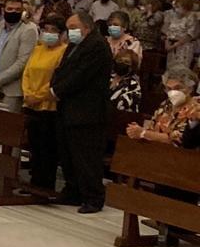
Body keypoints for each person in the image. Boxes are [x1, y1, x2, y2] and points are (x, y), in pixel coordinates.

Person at [50, 11, 113, 214]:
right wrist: (54, 86)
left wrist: (58, 90)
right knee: (68, 154)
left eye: (74, 28)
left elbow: (81, 75)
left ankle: (93, 197)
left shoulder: (97, 45)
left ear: (86, 27)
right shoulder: (75, 44)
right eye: (69, 29)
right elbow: (63, 68)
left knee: (86, 157)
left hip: (87, 111)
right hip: (68, 107)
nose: (71, 32)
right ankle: (73, 190)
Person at [21, 15, 69, 191]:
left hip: (49, 106)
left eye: (53, 31)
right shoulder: (38, 49)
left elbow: (56, 81)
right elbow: (27, 72)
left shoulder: (63, 51)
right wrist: (27, 94)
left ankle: (45, 184)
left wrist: (39, 96)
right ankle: (33, 182)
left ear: (62, 34)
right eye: (46, 30)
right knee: (34, 146)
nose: (48, 33)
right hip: (31, 104)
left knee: (46, 148)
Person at [125, 67, 200, 148]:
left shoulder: (195, 109)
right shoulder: (166, 104)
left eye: (178, 88)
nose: (173, 92)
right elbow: (152, 128)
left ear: (190, 88)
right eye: (169, 88)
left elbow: (178, 140)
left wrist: (143, 133)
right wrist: (138, 131)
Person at [163, 0, 198, 70]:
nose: (176, 9)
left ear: (185, 7)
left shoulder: (191, 17)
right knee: (170, 69)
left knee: (181, 69)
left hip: (183, 47)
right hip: (171, 46)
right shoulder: (173, 16)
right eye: (175, 7)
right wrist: (167, 43)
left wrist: (175, 45)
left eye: (178, 7)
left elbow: (189, 35)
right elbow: (167, 30)